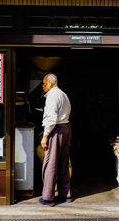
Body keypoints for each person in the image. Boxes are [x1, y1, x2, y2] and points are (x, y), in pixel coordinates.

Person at [39, 73, 73, 206]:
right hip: (66, 127)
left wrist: (45, 135)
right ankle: (66, 194)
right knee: (63, 163)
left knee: (50, 163)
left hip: (57, 129)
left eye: (43, 83)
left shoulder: (52, 96)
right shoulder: (62, 94)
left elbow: (52, 118)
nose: (42, 86)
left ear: (49, 83)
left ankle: (48, 197)